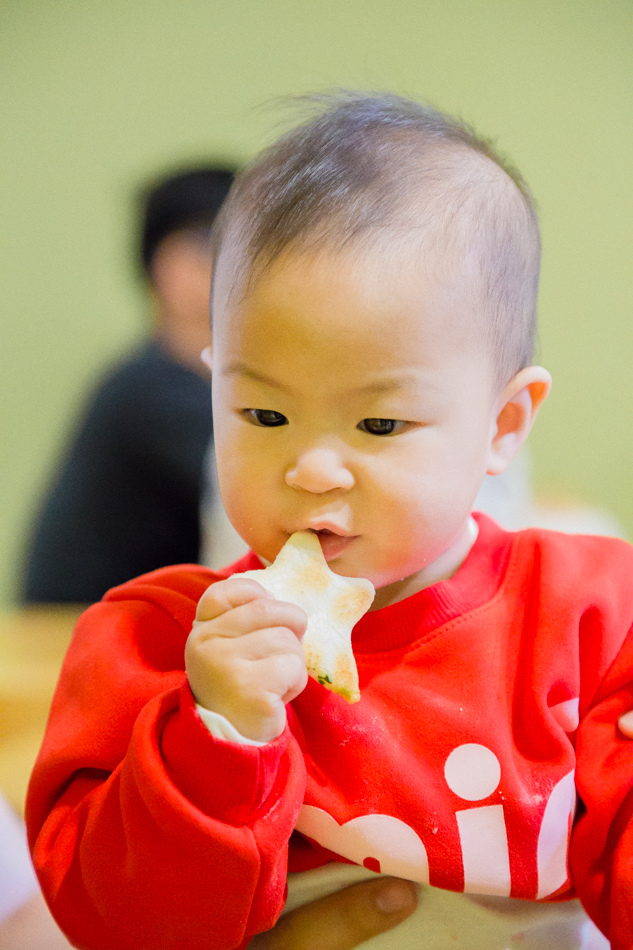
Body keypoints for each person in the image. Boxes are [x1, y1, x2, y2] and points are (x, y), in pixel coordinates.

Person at [25, 93, 633, 950]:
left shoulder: (590, 619)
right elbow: (114, 924)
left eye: (378, 425)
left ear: (500, 426)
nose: (309, 469)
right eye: (262, 416)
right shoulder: (153, 643)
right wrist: (219, 731)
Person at [21, 165, 235, 604]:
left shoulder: (181, 381)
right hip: (77, 632)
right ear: (162, 266)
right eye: (210, 247)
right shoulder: (151, 391)